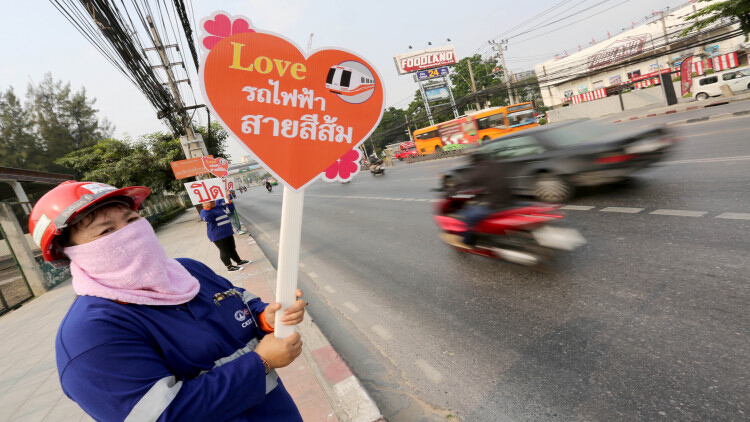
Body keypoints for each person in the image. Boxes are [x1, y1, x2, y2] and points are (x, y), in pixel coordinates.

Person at [29, 181, 308, 421]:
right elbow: (161, 415)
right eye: (106, 231)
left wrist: (265, 318)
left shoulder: (188, 270)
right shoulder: (89, 335)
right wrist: (260, 364)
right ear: (70, 252)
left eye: (132, 220)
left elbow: (243, 306)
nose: (129, 233)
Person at [450, 152, 513, 248]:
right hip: (507, 197)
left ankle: (467, 243)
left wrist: (452, 191)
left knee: (468, 217)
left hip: (495, 203)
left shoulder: (481, 169)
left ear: (475, 161)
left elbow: (468, 181)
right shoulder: (495, 164)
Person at [201, 199, 251, 271]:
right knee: (224, 251)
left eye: (213, 201)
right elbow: (209, 219)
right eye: (210, 202)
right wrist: (207, 208)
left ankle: (239, 261)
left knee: (232, 248)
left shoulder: (218, 206)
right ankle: (229, 267)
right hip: (217, 234)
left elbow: (230, 209)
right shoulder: (204, 212)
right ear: (204, 203)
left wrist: (229, 201)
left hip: (227, 232)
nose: (213, 202)